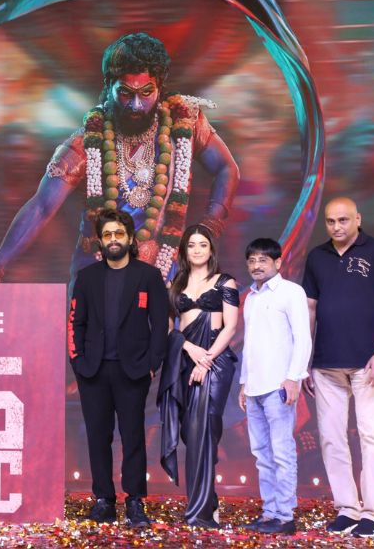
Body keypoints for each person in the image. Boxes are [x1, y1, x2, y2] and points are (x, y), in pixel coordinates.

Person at [0, 32, 239, 285]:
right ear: (109, 87)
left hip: (164, 276)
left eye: (146, 92)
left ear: (160, 87)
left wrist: (210, 225)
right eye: (125, 93)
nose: (136, 105)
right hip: (98, 276)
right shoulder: (88, 141)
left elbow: (227, 168)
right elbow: (42, 206)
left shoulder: (185, 123)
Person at [302, 197, 374, 539]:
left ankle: (372, 514)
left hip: (368, 364)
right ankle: (347, 509)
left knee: (372, 436)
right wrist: (304, 361)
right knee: (331, 439)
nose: (336, 226)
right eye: (330, 221)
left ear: (358, 219)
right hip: (325, 365)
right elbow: (310, 309)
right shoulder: (317, 257)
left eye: (343, 220)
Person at [68, 208, 168, 527]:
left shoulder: (148, 276)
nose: (113, 239)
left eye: (119, 234)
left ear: (130, 238)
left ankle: (135, 501)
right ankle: (104, 500)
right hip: (93, 372)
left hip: (133, 371)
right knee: (98, 437)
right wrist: (78, 362)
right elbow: (75, 322)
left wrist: (152, 365)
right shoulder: (87, 277)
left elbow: (161, 324)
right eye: (108, 234)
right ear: (101, 241)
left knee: (133, 437)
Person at [158, 224, 238, 528]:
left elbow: (231, 327)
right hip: (185, 359)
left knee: (204, 429)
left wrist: (206, 360)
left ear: (211, 249)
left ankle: (200, 511)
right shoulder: (174, 284)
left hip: (215, 361)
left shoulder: (224, 281)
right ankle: (208, 499)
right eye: (191, 245)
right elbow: (168, 329)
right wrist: (188, 348)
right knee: (190, 433)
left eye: (202, 244)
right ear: (184, 250)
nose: (197, 250)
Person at [238, 238, 311, 535]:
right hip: (254, 387)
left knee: (282, 452)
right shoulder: (251, 298)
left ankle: (285, 515)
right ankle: (270, 513)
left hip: (279, 385)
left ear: (278, 262)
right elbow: (249, 345)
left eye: (263, 260)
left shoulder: (291, 292)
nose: (257, 265)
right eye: (252, 260)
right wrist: (243, 383)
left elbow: (303, 338)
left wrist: (294, 378)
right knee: (261, 454)